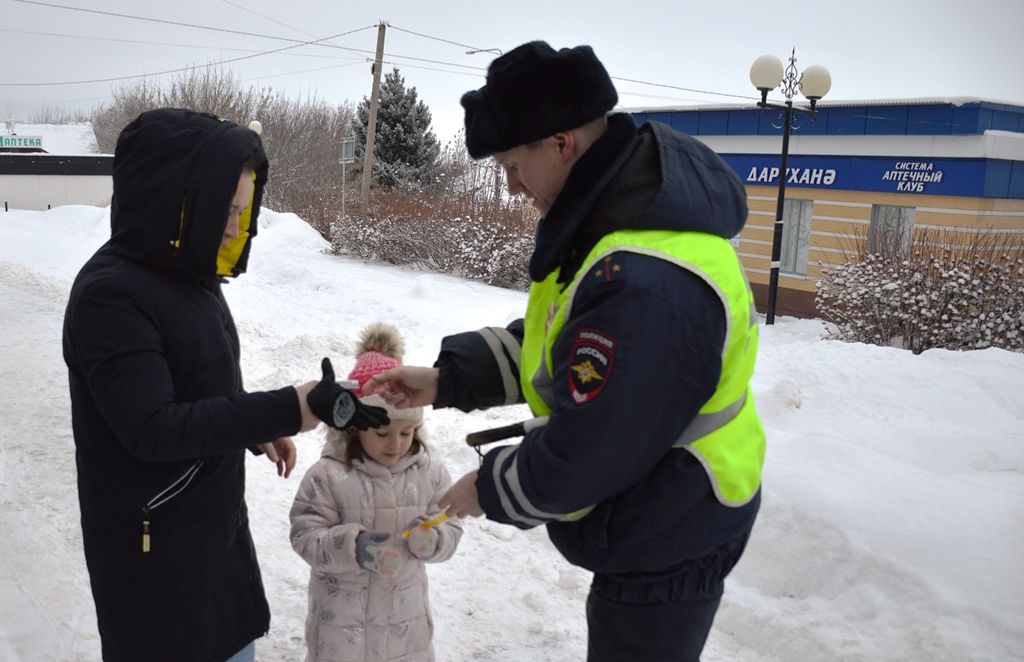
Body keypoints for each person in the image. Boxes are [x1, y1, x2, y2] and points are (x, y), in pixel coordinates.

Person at [369, 41, 765, 662]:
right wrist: (446, 380)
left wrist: (490, 488)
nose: (509, 186)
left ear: (562, 144)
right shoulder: (611, 223)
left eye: (511, 164)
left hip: (674, 522)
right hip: (657, 504)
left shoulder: (644, 273)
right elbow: (567, 343)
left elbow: (594, 446)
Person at [62, 108, 387, 662]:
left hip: (210, 532)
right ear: (175, 204)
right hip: (153, 553)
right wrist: (293, 407)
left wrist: (251, 429)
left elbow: (189, 385)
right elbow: (152, 428)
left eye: (243, 209)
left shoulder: (191, 276)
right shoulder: (111, 297)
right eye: (224, 210)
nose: (237, 226)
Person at [290, 323, 463, 662]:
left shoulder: (429, 471)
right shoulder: (328, 474)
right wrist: (352, 546)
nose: (396, 444)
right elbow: (304, 535)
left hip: (404, 629)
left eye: (407, 432)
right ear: (356, 426)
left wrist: (435, 538)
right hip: (342, 631)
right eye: (383, 433)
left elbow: (452, 523)